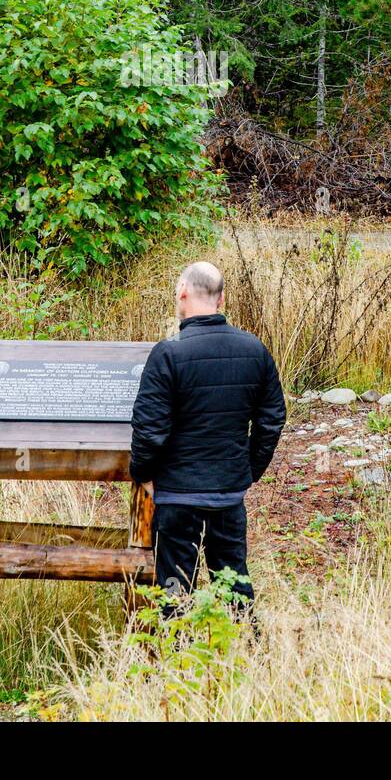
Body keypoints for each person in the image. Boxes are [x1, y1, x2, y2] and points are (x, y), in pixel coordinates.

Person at [129, 260, 286, 612]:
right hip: (229, 496)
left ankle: (180, 660)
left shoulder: (168, 353)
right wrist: (247, 470)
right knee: (233, 586)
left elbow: (149, 429)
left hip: (177, 497)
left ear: (183, 293)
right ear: (222, 300)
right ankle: (240, 655)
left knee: (174, 591)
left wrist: (143, 474)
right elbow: (272, 419)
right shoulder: (254, 350)